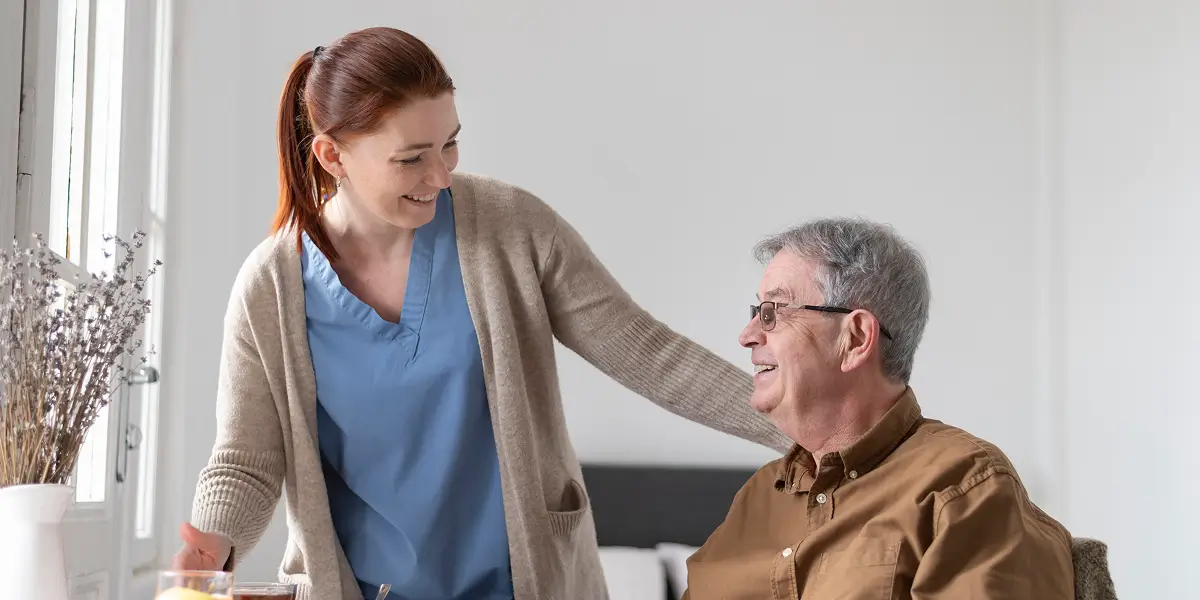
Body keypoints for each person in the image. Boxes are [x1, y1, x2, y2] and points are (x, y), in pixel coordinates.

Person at [170, 26, 789, 600]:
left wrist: (800, 424)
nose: (440, 175)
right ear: (332, 156)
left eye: (451, 143)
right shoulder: (271, 288)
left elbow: (649, 353)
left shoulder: (511, 227)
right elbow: (246, 459)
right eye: (411, 157)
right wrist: (210, 549)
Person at [682, 218, 1075, 599]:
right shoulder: (756, 498)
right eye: (756, 313)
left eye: (774, 311)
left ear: (855, 339)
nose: (747, 336)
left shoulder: (962, 487)